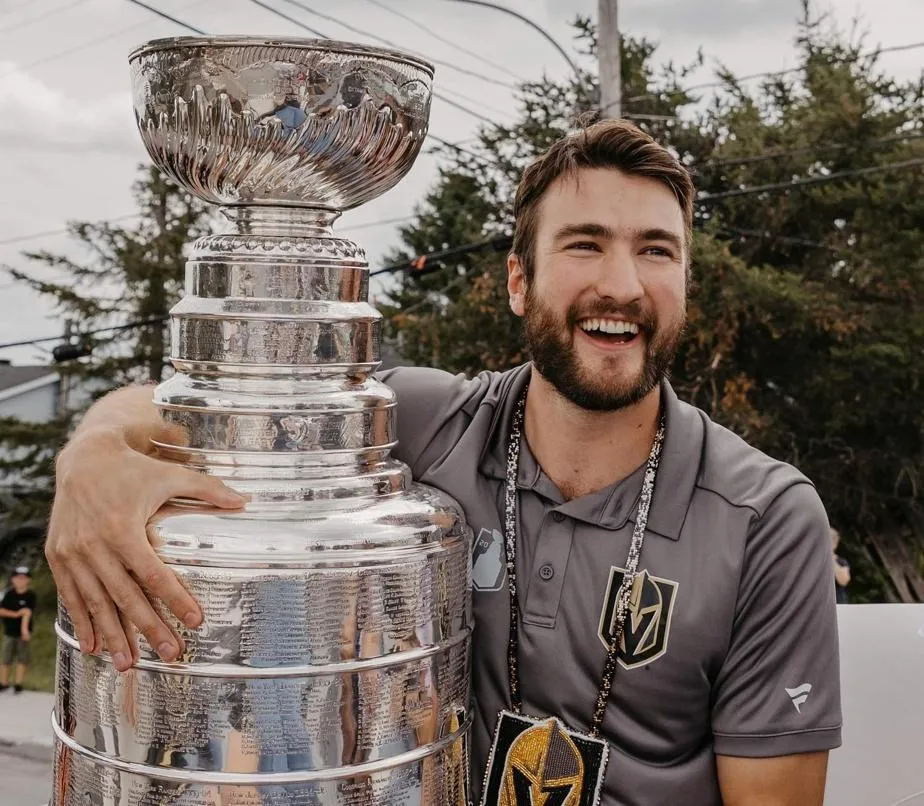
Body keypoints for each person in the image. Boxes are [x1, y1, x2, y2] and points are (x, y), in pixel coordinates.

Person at [45, 119, 841, 805]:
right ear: (519, 282)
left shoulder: (765, 519)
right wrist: (90, 457)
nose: (622, 285)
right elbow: (200, 405)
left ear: (686, 282)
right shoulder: (426, 424)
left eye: (656, 251)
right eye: (585, 244)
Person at [0, 565, 36, 693]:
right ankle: (3, 682)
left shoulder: (30, 596)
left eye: (23, 578)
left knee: (22, 658)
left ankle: (18, 683)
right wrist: (16, 614)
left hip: (23, 633)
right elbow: (1, 610)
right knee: (6, 657)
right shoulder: (8, 594)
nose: (21, 580)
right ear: (13, 579)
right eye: (18, 578)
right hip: (9, 632)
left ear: (28, 580)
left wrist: (24, 630)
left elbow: (27, 612)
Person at [831, 528, 851, 604]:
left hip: (838, 604)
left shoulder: (841, 562)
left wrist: (831, 559)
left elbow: (843, 581)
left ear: (835, 544)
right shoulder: (813, 560)